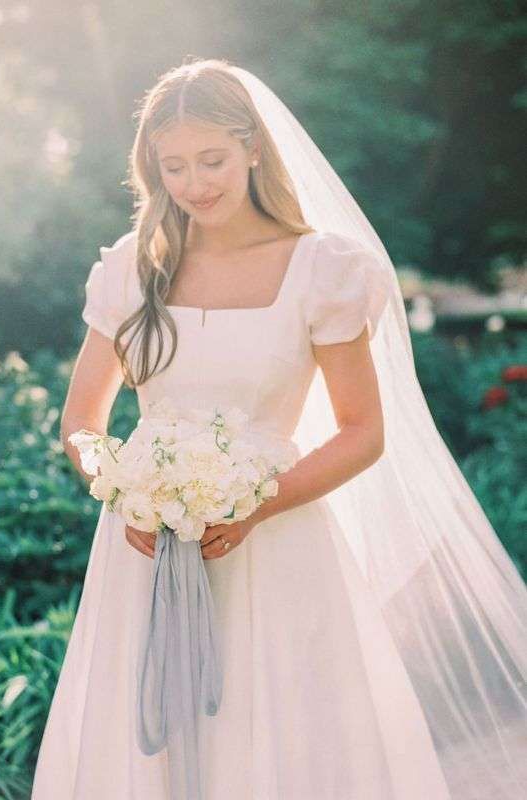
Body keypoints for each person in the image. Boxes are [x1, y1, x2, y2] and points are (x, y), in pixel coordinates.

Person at [31, 58, 527, 800]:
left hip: (278, 540)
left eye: (212, 160)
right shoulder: (132, 273)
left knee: (286, 739)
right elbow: (82, 424)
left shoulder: (322, 270)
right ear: (151, 168)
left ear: (253, 148)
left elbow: (362, 431)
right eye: (174, 167)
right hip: (147, 556)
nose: (195, 184)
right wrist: (122, 493)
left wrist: (254, 504)